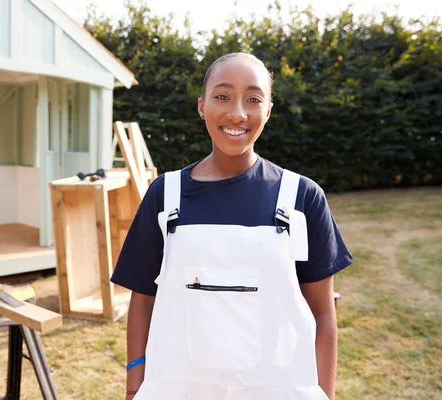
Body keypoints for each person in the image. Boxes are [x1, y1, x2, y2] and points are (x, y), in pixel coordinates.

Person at [111, 52, 353, 400]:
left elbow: (322, 312)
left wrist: (324, 395)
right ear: (201, 106)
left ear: (268, 110)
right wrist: (135, 387)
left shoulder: (302, 198)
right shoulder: (165, 195)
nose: (237, 113)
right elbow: (144, 299)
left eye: (253, 99)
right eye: (222, 96)